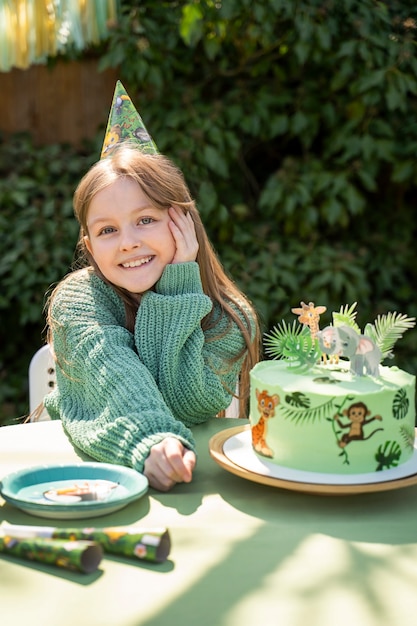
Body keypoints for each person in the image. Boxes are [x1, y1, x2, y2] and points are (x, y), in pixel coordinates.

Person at [44, 82, 260, 491]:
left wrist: (179, 287)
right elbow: (116, 375)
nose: (128, 241)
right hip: (76, 475)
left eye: (145, 219)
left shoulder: (229, 318)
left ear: (182, 221)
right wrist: (151, 441)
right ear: (90, 246)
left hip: (186, 475)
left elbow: (185, 402)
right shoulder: (79, 300)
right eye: (108, 230)